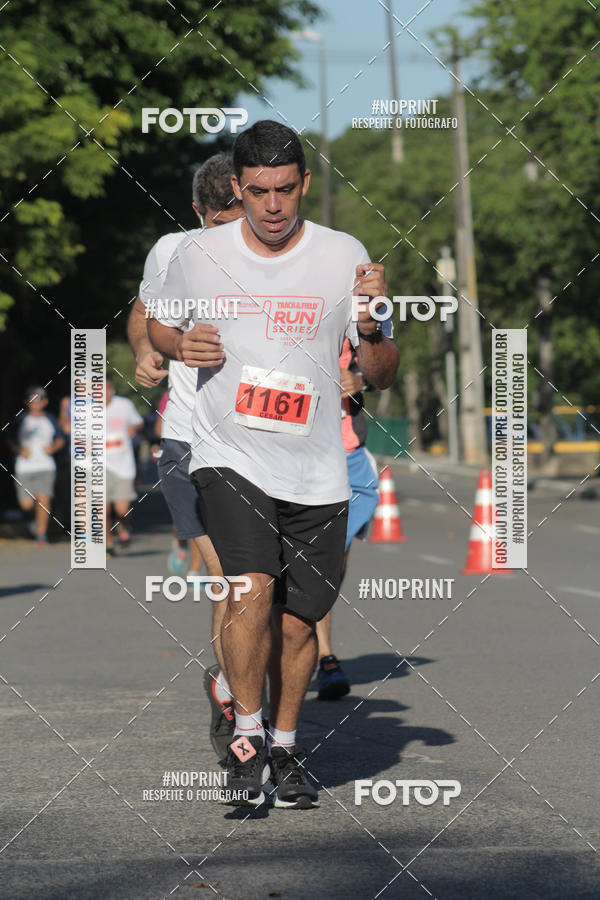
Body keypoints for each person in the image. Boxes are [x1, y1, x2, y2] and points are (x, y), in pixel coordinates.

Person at [148, 120, 398, 809]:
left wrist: (373, 327)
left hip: (317, 465)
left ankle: (287, 745)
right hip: (228, 454)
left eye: (285, 190)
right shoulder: (197, 253)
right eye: (258, 191)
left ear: (305, 184)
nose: (273, 206)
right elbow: (157, 321)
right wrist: (179, 344)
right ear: (237, 187)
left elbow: (380, 375)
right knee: (252, 587)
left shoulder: (345, 256)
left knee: (297, 623)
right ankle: (248, 737)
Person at [127, 153, 245, 763]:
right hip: (189, 441)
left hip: (265, 445)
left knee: (259, 590)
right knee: (232, 580)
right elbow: (143, 315)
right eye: (220, 219)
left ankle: (231, 687)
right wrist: (147, 351)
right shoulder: (173, 251)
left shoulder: (284, 256)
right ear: (198, 214)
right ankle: (242, 714)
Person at [315, 341, 381, 700]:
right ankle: (325, 656)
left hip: (347, 455)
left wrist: (361, 380)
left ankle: (312, 635)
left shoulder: (360, 308)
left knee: (333, 562)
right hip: (291, 453)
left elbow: (384, 368)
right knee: (310, 562)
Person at [9, 386, 65, 544]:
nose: (36, 403)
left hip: (46, 467)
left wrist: (53, 447)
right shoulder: (20, 419)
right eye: (33, 400)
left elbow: (61, 439)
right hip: (24, 467)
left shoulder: (50, 419)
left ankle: (41, 534)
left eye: (39, 400)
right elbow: (9, 440)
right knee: (26, 504)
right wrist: (20, 450)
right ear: (27, 402)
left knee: (44, 499)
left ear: (45, 402)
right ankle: (35, 521)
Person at [105, 378, 143, 554]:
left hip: (123, 465)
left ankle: (124, 527)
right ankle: (108, 543)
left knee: (122, 509)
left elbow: (138, 422)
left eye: (105, 389)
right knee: (102, 507)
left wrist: (134, 428)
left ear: (112, 390)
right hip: (99, 465)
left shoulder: (124, 405)